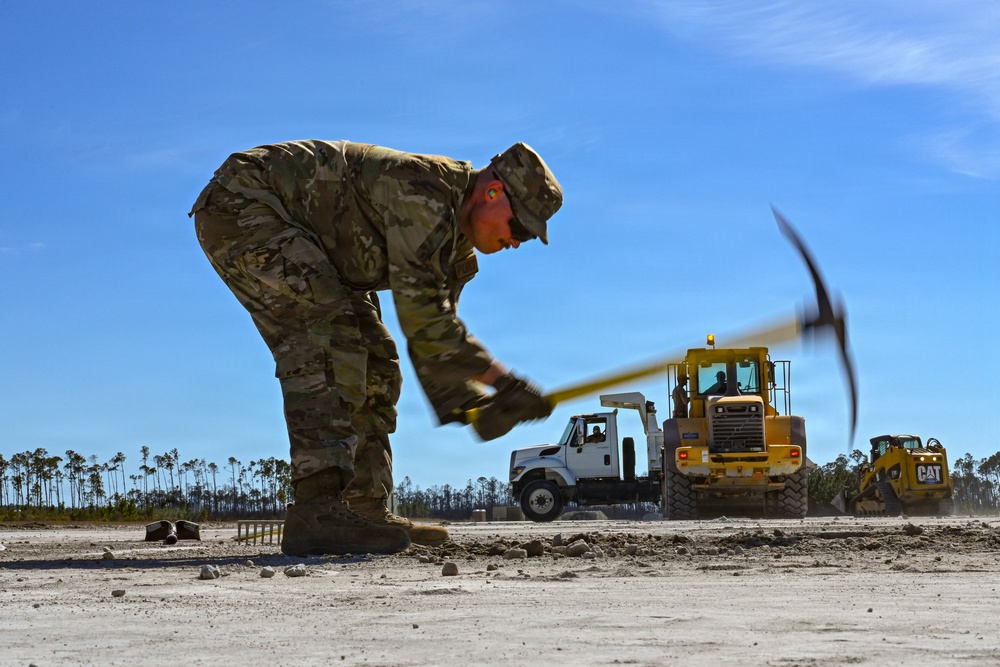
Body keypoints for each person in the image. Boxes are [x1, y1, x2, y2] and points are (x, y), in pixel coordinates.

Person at [189, 140, 562, 556]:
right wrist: (504, 383)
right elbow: (425, 320)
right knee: (329, 338)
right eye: (521, 227)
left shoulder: (454, 248)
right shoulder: (424, 193)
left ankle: (362, 507)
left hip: (316, 246)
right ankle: (317, 510)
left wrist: (473, 405)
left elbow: (434, 344)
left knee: (378, 360)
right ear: (492, 191)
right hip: (244, 206)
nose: (517, 241)